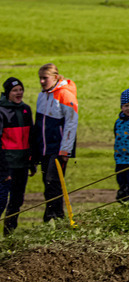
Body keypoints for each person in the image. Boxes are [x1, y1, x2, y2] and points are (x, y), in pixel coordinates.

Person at [34, 63, 78, 222]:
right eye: (40, 78)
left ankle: (56, 217)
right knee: (47, 183)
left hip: (58, 149)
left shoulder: (65, 95)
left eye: (45, 78)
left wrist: (66, 150)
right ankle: (51, 216)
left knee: (54, 182)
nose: (41, 81)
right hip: (44, 148)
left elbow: (71, 124)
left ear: (55, 77)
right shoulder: (42, 95)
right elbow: (38, 124)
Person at [0, 77, 35, 235]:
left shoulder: (26, 109)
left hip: (22, 164)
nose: (19, 93)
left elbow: (31, 137)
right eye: (15, 90)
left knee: (16, 201)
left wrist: (32, 161)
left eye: (21, 89)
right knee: (1, 202)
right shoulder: (1, 111)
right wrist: (4, 169)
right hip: (6, 165)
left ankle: (9, 236)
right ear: (8, 93)